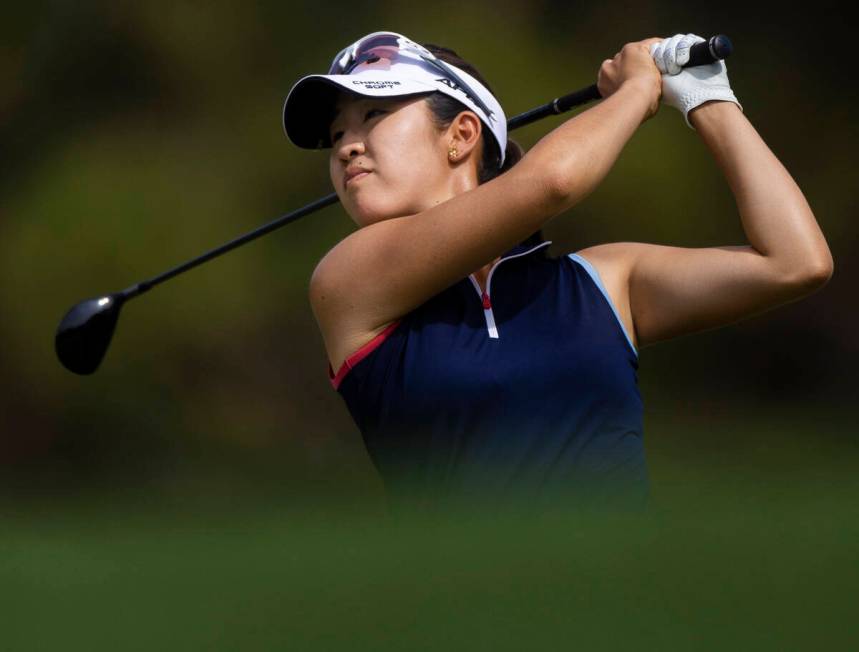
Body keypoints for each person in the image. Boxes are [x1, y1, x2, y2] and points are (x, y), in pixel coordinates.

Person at [281, 31, 833, 517]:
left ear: (462, 135)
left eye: (374, 115)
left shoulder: (603, 281)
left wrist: (706, 97)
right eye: (335, 137)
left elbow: (793, 262)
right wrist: (639, 91)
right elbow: (552, 183)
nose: (348, 146)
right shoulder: (348, 280)